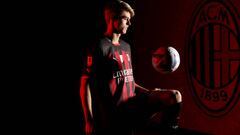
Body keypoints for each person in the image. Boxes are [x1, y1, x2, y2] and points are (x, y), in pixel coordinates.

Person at [80, 0, 182, 135]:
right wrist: (89, 119)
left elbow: (129, 81)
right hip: (116, 115)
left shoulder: (126, 46)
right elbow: (85, 84)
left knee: (174, 96)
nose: (129, 23)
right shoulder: (99, 47)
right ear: (113, 19)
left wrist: (149, 92)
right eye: (126, 19)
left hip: (133, 105)